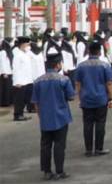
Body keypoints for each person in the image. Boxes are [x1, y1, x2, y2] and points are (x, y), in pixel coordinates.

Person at [31, 53, 75, 181]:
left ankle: (47, 171)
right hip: (61, 117)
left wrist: (40, 115)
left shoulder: (38, 81)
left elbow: (35, 102)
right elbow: (71, 96)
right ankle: (59, 171)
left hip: (45, 117)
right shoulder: (64, 79)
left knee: (45, 145)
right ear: (58, 65)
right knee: (59, 144)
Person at [74, 41, 112, 157]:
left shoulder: (81, 66)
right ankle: (98, 148)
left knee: (87, 124)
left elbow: (78, 83)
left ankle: (88, 149)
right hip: (101, 99)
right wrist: (111, 98)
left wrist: (80, 98)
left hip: (86, 98)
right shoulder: (104, 65)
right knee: (100, 123)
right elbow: (109, 83)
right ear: (99, 52)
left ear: (88, 51)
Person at [12, 36, 37, 121]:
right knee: (19, 99)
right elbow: (15, 69)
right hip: (20, 82)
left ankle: (21, 113)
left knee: (25, 98)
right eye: (27, 44)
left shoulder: (26, 54)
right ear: (22, 45)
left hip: (27, 80)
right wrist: (17, 82)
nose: (29, 46)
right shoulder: (18, 55)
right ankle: (17, 115)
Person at [0, 37, 13, 107]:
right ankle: (3, 102)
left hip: (9, 72)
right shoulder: (3, 52)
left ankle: (7, 102)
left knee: (7, 88)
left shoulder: (8, 52)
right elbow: (2, 63)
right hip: (4, 73)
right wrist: (4, 72)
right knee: (4, 88)